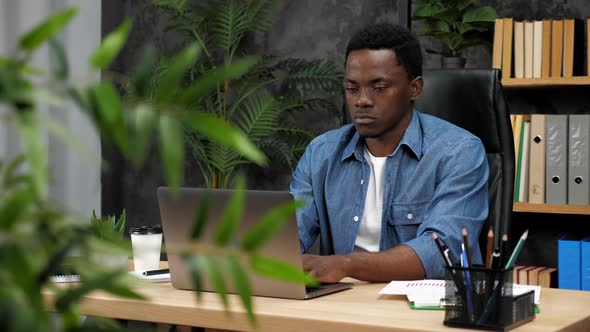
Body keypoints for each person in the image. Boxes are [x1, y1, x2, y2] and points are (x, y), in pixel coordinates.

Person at [290, 23, 489, 283]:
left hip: (425, 311)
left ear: (414, 89)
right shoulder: (321, 153)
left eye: (379, 87)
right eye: (352, 89)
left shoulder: (459, 152)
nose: (361, 100)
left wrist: (346, 264)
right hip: (342, 306)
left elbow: (441, 251)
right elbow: (287, 234)